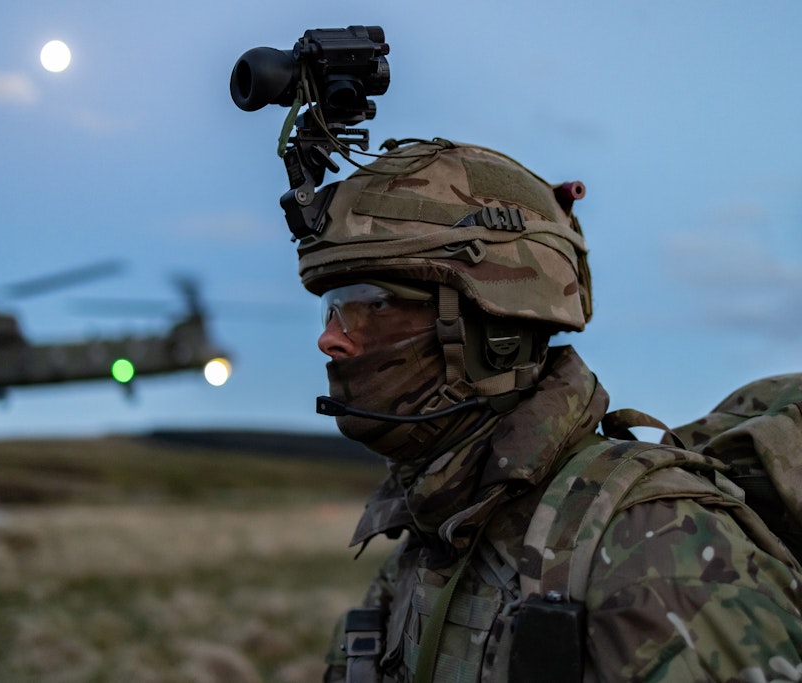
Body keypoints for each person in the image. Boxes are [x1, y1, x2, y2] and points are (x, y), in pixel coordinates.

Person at [291, 138, 802, 682]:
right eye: (334, 308)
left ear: (497, 332)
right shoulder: (434, 534)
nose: (331, 340)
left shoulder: (652, 545)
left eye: (373, 305)